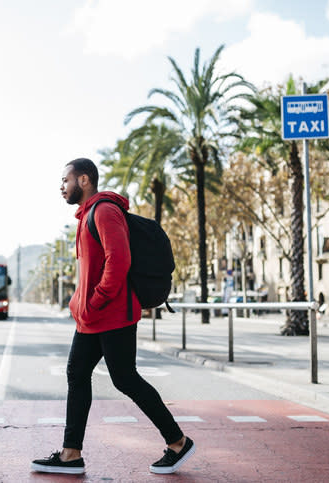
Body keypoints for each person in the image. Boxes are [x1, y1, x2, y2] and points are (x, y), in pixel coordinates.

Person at [31, 158, 195, 475]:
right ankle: (71, 454)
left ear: (84, 179)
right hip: (92, 318)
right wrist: (79, 302)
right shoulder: (86, 217)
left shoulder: (105, 211)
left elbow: (118, 261)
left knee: (125, 378)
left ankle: (178, 442)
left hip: (114, 314)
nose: (61, 187)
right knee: (77, 375)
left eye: (65, 180)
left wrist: (95, 299)